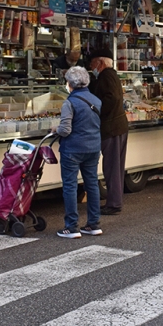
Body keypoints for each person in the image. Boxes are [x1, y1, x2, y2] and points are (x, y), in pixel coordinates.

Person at [56, 67, 103, 239]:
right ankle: (93, 224)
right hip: (93, 147)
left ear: (69, 83)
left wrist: (56, 129)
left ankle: (71, 227)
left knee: (70, 186)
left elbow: (65, 129)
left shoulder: (69, 103)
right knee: (92, 184)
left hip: (72, 149)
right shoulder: (96, 100)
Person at [89, 49, 129, 215]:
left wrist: (96, 110)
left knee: (112, 167)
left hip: (112, 127)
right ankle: (115, 200)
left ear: (100, 63)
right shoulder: (111, 76)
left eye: (92, 64)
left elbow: (111, 99)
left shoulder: (107, 76)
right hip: (118, 126)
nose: (91, 68)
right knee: (116, 167)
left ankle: (114, 203)